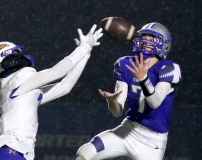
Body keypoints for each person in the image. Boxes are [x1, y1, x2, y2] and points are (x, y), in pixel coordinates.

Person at [0, 24, 103, 160]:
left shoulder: (17, 87)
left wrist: (86, 54)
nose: (19, 56)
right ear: (3, 60)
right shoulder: (19, 79)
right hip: (12, 152)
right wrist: (83, 48)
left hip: (14, 152)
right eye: (15, 53)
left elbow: (65, 87)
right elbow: (58, 71)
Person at [76, 22, 182, 160]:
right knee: (86, 152)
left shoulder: (168, 68)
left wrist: (143, 78)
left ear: (163, 44)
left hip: (153, 141)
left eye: (151, 39)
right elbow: (117, 112)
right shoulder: (125, 64)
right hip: (128, 129)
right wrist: (112, 101)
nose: (145, 41)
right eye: (144, 37)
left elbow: (155, 102)